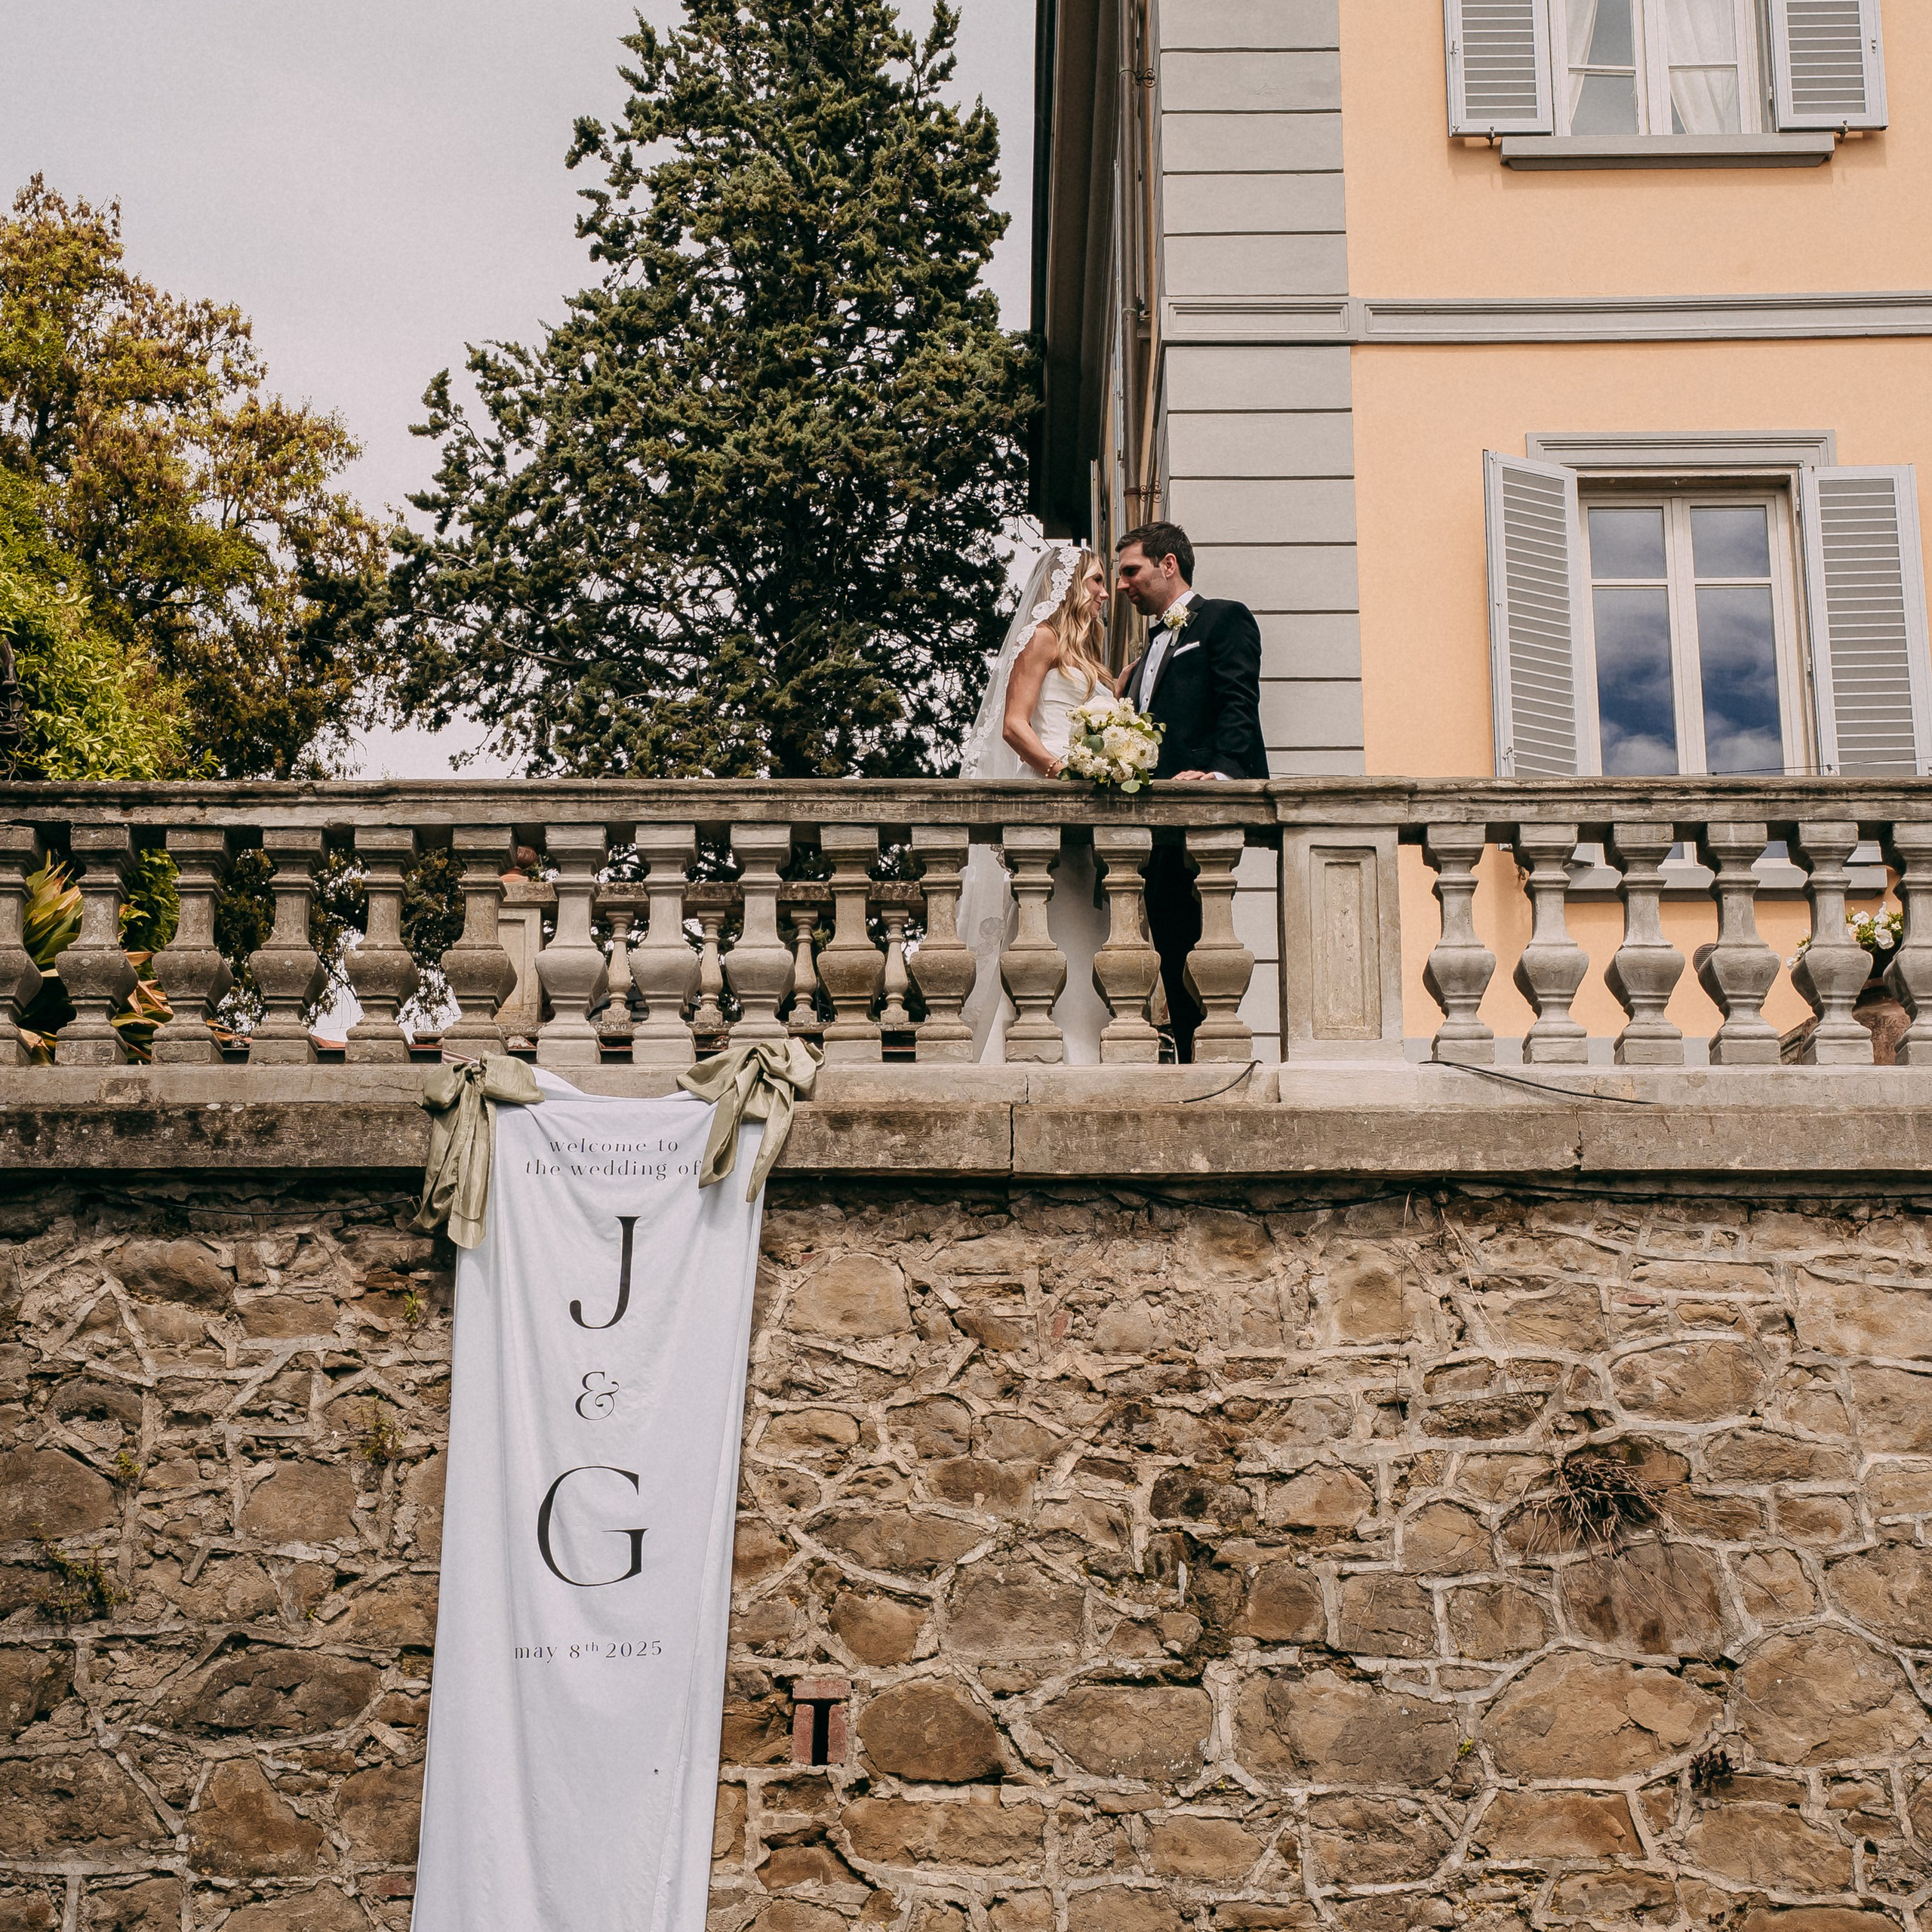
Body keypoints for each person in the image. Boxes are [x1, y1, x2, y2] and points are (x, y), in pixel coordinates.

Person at [1113, 521, 1266, 1062]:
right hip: (1154, 824)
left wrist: (1223, 772)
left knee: (1202, 937)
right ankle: (1187, 1054)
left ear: (1169, 564)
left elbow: (1237, 700)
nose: (1123, 585)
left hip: (1200, 812)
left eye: (1131, 571)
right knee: (1170, 939)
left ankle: (1213, 1057)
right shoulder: (1150, 645)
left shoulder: (1223, 619)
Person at [956, 545, 1113, 1063]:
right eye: (1095, 582)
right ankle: (1040, 1053)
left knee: (1082, 931)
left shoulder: (1091, 659)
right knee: (1048, 922)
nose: (1104, 594)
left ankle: (1085, 1050)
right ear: (1068, 587)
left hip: (1089, 820)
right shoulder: (1043, 639)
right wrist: (1059, 771)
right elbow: (1015, 725)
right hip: (1049, 803)